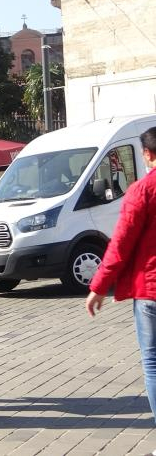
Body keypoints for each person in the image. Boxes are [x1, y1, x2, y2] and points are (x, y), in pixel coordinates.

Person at [86, 126, 156, 424]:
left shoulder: (142, 190)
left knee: (153, 362)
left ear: (146, 154)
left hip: (150, 292)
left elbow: (121, 243)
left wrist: (99, 286)